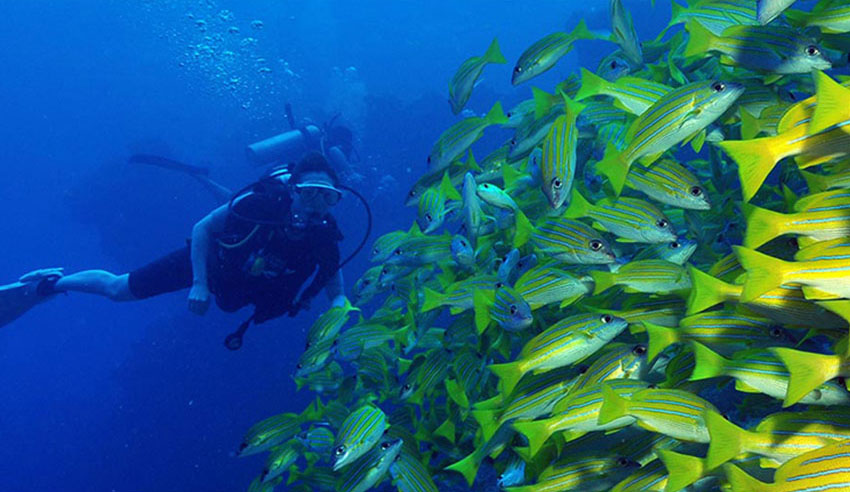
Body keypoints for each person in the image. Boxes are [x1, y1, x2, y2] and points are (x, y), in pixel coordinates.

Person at [1, 152, 348, 333]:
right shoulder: (260, 203)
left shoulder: (324, 236)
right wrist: (198, 283)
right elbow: (201, 228)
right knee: (118, 289)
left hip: (250, 286)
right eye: (308, 193)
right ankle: (50, 282)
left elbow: (336, 285)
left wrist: (341, 315)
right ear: (292, 190)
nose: (316, 204)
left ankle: (207, 184)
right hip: (214, 263)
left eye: (326, 197)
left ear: (335, 200)